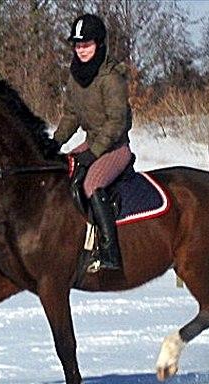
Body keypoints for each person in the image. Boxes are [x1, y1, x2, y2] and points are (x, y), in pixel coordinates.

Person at [53, 13, 133, 272]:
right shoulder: (75, 76)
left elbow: (116, 122)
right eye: (78, 45)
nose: (82, 50)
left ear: (99, 44)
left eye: (86, 44)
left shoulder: (111, 77)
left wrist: (95, 152)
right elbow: (71, 115)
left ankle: (110, 252)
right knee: (61, 171)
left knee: (92, 183)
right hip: (92, 142)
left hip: (115, 146)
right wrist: (54, 142)